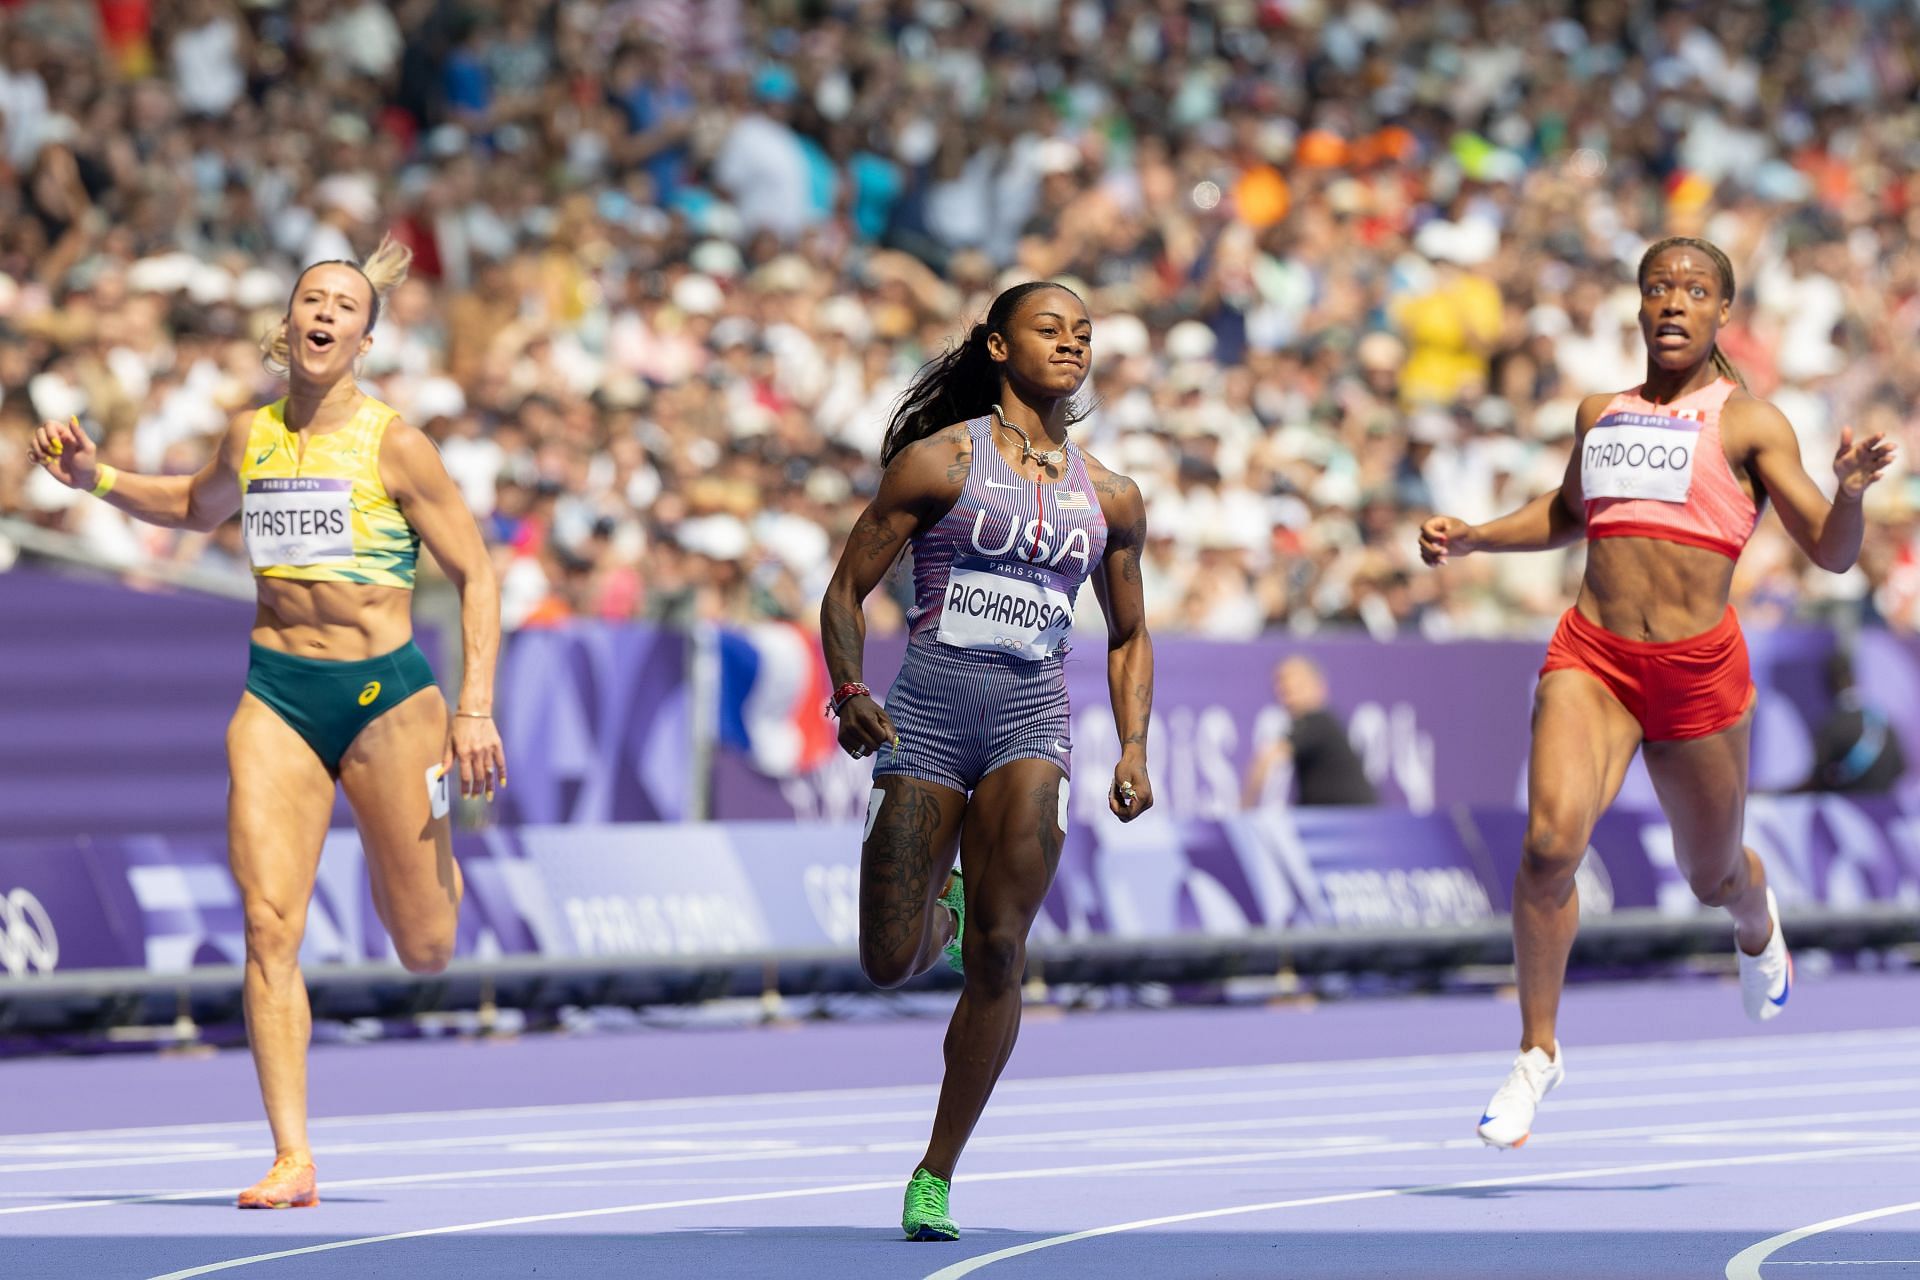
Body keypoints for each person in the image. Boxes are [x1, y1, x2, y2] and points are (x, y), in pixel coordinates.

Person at [27, 237, 506, 1209]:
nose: (324, 314)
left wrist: (474, 708)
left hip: (387, 702)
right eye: (311, 301)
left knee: (424, 943)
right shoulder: (249, 435)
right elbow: (197, 506)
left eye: (344, 305)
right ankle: (292, 1153)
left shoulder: (394, 442)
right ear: (286, 326)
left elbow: (477, 573)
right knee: (266, 921)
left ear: (364, 340)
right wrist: (98, 480)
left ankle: (422, 851)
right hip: (277, 697)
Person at [1418, 236, 1893, 1150]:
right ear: (1637, 308)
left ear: (1724, 314)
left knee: (1711, 875)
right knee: (1550, 845)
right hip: (1592, 659)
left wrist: (1848, 496)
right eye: (1659, 287)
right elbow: (1566, 515)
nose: (1674, 301)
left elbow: (1830, 555)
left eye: (1696, 290)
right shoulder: (1601, 412)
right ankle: (1537, 1051)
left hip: (1695, 675)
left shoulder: (1749, 423)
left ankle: (1757, 922)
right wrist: (1476, 536)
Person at [819, 280, 1155, 1241]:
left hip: (1029, 725)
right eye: (1049, 329)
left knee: (1003, 953)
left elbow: (1129, 635)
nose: (1071, 345)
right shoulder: (937, 464)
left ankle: (936, 1173)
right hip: (925, 720)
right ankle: (945, 906)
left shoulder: (1112, 497)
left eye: (1084, 334)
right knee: (888, 962)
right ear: (998, 347)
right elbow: (844, 592)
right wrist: (850, 691)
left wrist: (1132, 745)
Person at [1242, 656, 1379, 808]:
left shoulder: (1317, 720)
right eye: (1282, 688)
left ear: (1318, 687)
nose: (1286, 695)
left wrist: (1243, 809)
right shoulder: (1312, 724)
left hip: (1352, 821)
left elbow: (1267, 760)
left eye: (1295, 687)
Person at [1798, 650, 1906, 794]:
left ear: (1829, 682)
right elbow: (1900, 767)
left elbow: (1818, 776)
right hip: (1886, 808)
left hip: (1845, 807)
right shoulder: (1883, 723)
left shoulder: (1834, 725)